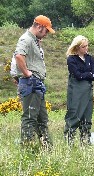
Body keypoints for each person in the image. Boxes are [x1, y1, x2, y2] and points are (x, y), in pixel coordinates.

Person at [14, 15, 55, 148]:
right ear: (39, 26)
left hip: (37, 84)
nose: (47, 34)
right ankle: (27, 148)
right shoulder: (26, 39)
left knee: (42, 118)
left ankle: (47, 148)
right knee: (30, 117)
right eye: (46, 31)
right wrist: (26, 73)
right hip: (30, 83)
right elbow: (19, 56)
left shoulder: (34, 40)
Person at [64, 35, 94, 145]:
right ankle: (69, 141)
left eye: (87, 46)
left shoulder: (90, 58)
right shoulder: (71, 59)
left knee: (87, 115)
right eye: (83, 47)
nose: (86, 48)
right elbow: (77, 75)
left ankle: (85, 142)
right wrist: (88, 74)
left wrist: (86, 75)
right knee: (74, 113)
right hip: (76, 90)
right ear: (77, 47)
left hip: (87, 90)